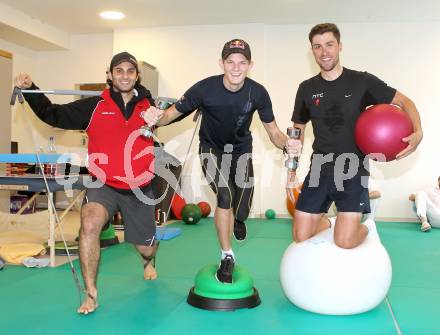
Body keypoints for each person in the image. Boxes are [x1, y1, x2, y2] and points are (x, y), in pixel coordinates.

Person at [14, 52, 160, 314]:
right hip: (102, 183)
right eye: (119, 70)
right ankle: (90, 293)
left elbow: (180, 111)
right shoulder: (93, 106)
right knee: (90, 223)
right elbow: (54, 114)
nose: (124, 75)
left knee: (146, 248)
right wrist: (30, 90)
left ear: (136, 76)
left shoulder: (150, 108)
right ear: (110, 75)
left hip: (139, 186)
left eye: (130, 70)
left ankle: (148, 262)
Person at [143, 39, 291, 283]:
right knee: (225, 196)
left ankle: (240, 219)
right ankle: (227, 255)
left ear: (250, 65)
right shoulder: (204, 89)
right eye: (230, 62)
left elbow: (274, 132)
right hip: (211, 149)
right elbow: (172, 113)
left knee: (241, 207)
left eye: (242, 62)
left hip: (241, 151)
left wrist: (288, 144)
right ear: (221, 63)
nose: (236, 67)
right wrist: (157, 117)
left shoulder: (258, 93)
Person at [286, 23, 423, 248]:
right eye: (317, 46)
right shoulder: (306, 88)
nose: (324, 51)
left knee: (345, 241)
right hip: (320, 166)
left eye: (329, 44)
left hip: (353, 168)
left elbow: (405, 102)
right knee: (300, 234)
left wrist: (418, 133)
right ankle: (332, 223)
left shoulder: (361, 81)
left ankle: (366, 226)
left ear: (340, 46)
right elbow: (296, 132)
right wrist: (291, 172)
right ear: (312, 51)